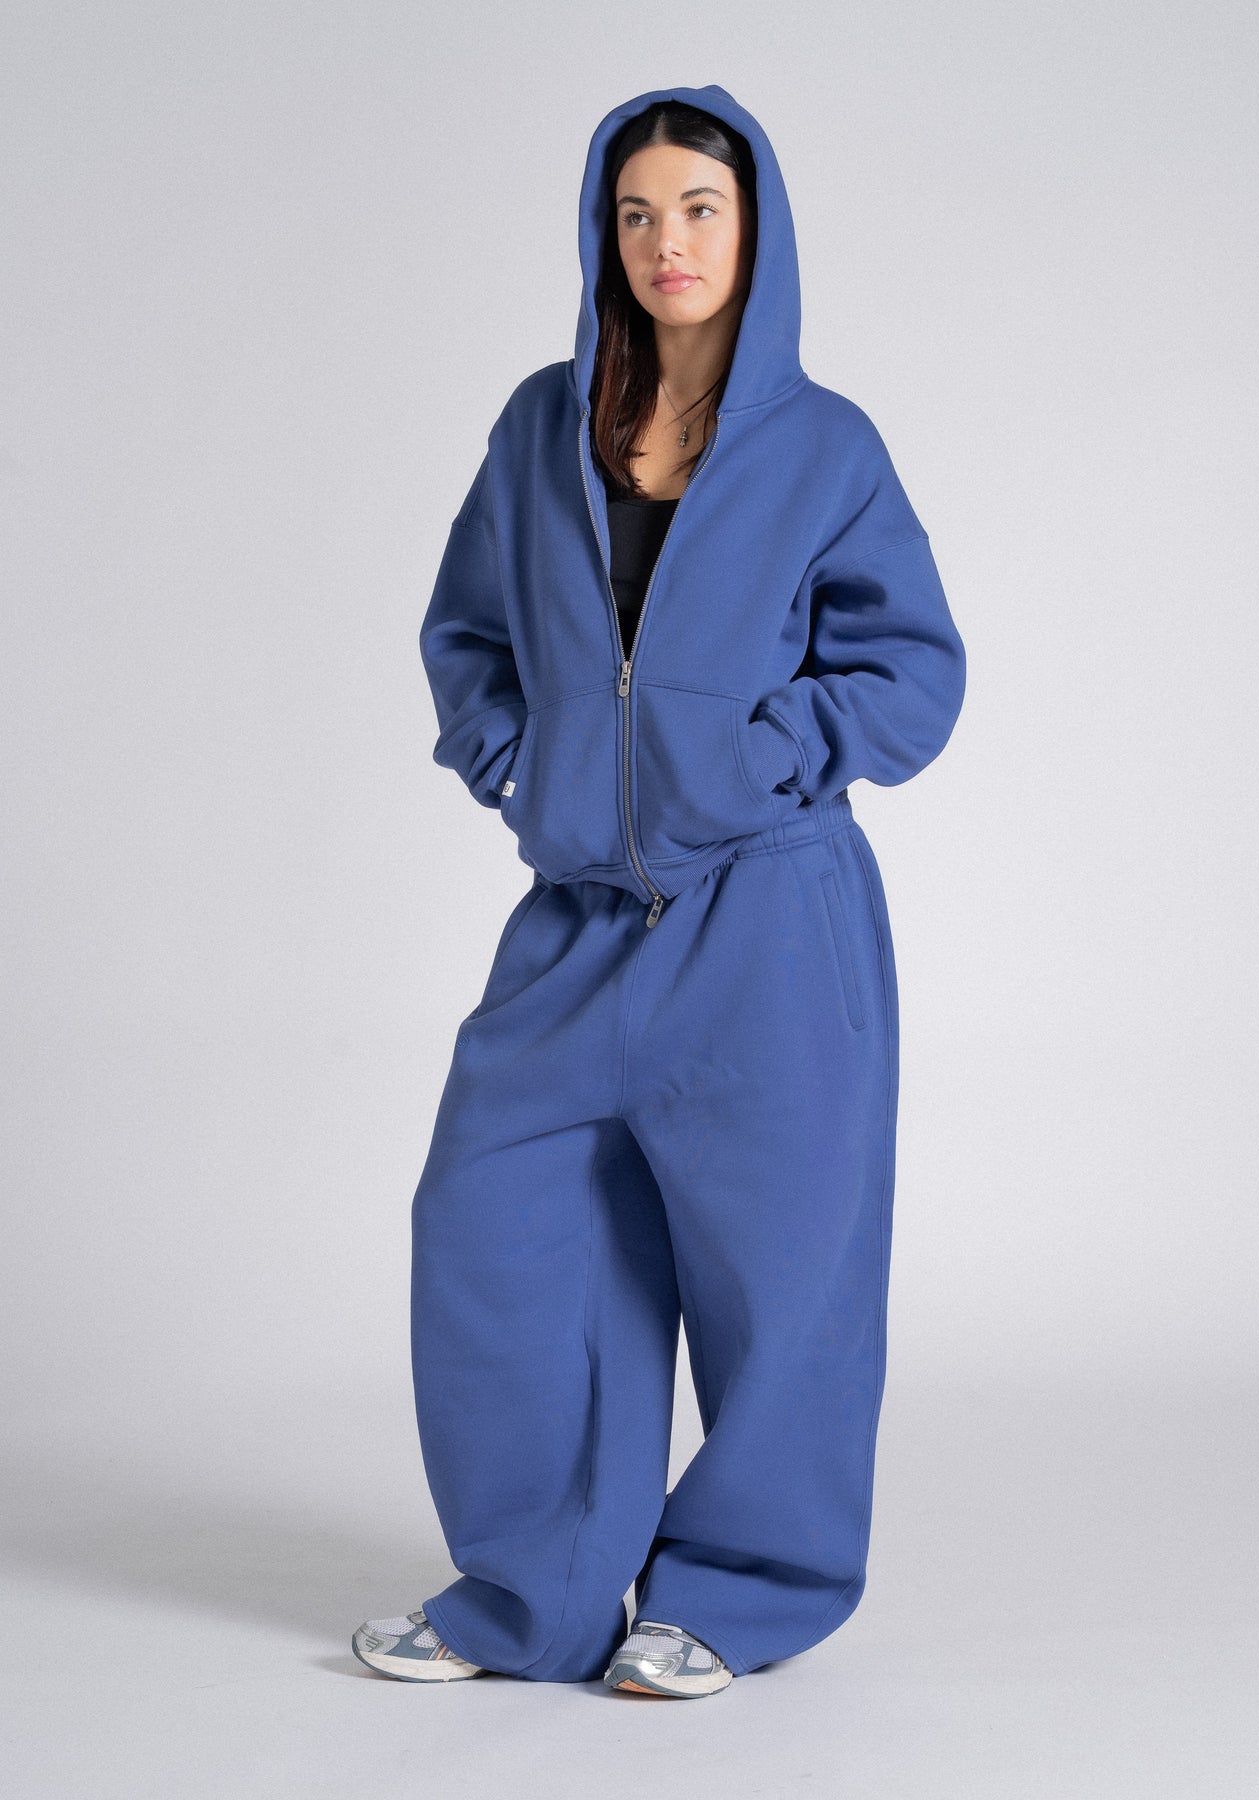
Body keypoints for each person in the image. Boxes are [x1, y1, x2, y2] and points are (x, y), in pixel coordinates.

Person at [352, 83, 966, 1698]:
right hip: (575, 919)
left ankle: (740, 1592)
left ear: (753, 229)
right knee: (499, 1233)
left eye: (698, 208)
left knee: (781, 1274)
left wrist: (754, 765)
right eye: (635, 213)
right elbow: (467, 636)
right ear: (600, 234)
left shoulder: (824, 446)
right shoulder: (538, 424)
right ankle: (533, 1595)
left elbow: (911, 672)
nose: (666, 242)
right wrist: (526, 769)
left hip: (768, 919)